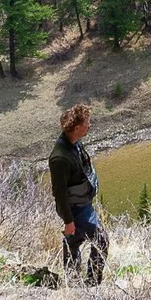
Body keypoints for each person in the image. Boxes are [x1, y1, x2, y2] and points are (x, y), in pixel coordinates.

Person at [47, 102, 105, 286]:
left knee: (73, 242)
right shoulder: (60, 158)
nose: (90, 125)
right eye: (88, 122)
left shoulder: (74, 143)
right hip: (75, 208)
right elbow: (60, 193)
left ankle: (73, 282)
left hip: (82, 205)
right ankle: (92, 284)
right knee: (101, 240)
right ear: (77, 127)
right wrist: (68, 221)